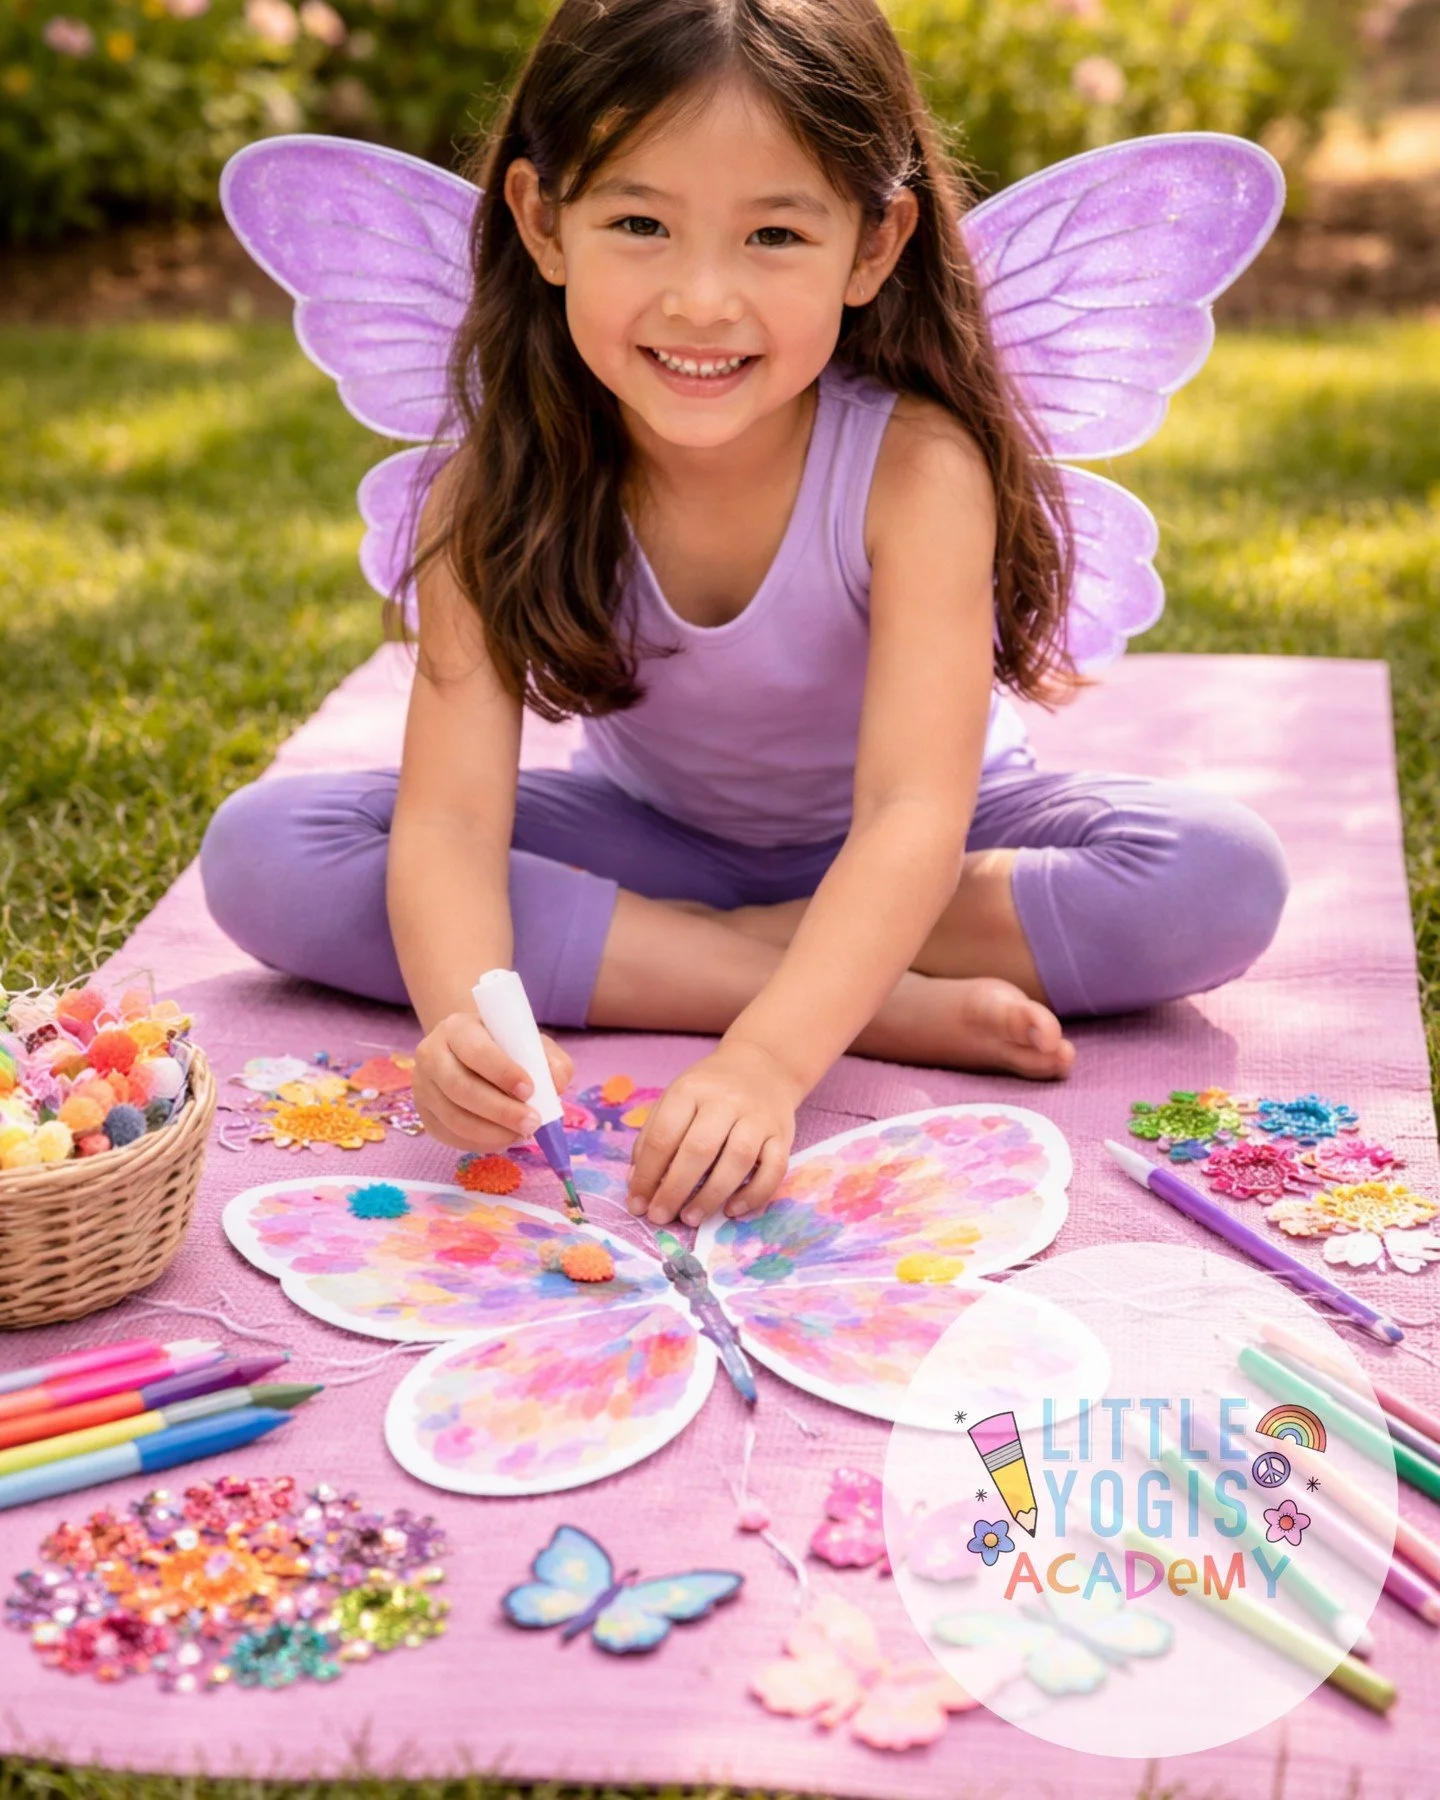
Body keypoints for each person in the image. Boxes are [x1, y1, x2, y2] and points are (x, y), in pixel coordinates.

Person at [202, 0, 1288, 1232]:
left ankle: (746, 964)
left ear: (873, 248)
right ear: (542, 223)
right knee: (266, 853)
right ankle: (856, 987)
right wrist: (465, 1016)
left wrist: (768, 1063)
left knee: (1217, 878)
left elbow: (911, 813)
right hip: (654, 831)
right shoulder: (492, 482)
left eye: (774, 232)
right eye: (639, 224)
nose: (702, 299)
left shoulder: (915, 469)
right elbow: (451, 817)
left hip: (931, 845)